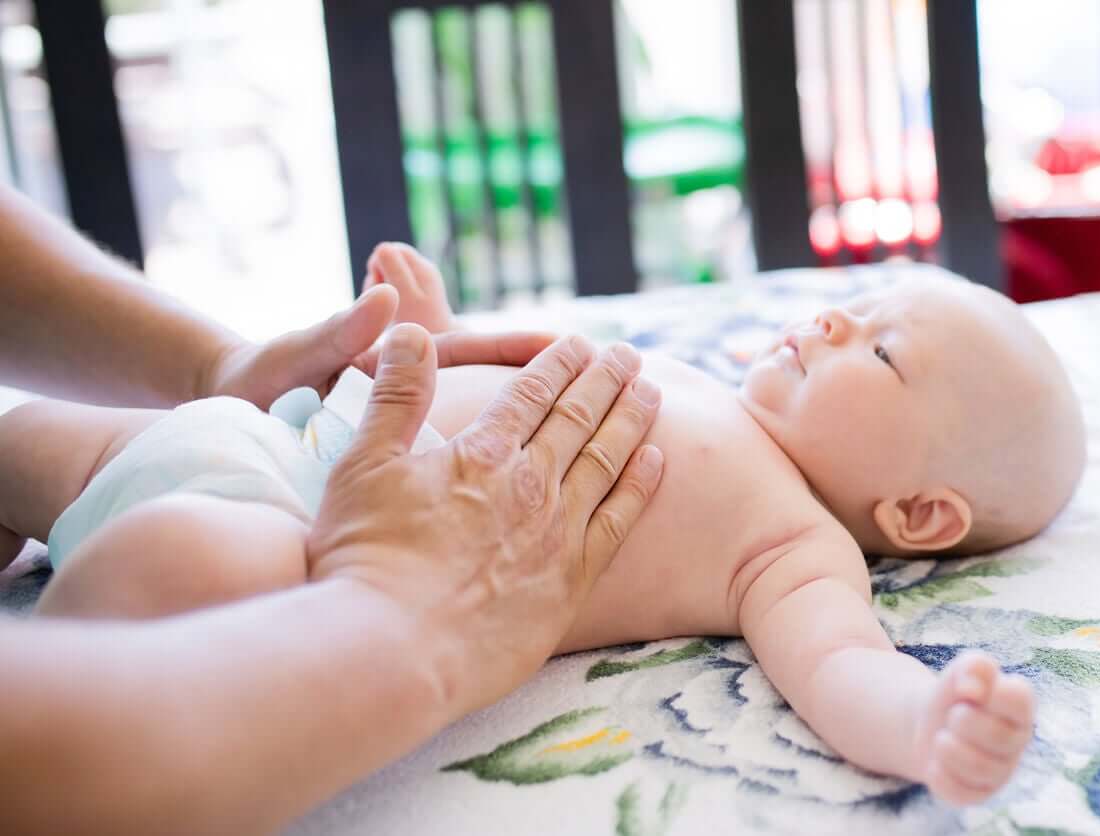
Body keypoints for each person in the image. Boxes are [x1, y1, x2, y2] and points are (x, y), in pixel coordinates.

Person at [6, 241, 1088, 806]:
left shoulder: (796, 548)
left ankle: (82, 674)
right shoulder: (700, 380)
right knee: (37, 438)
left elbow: (843, 667)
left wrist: (927, 721)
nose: (838, 318)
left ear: (919, 514)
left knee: (178, 555)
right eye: (864, 304)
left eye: (885, 352)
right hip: (272, 432)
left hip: (298, 534)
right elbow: (509, 377)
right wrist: (441, 332)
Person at [0, 185, 664, 834]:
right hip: (296, 484)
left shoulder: (757, 518)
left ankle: (87, 641)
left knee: (112, 515)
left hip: (285, 482)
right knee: (48, 464)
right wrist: (391, 608)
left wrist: (222, 365)